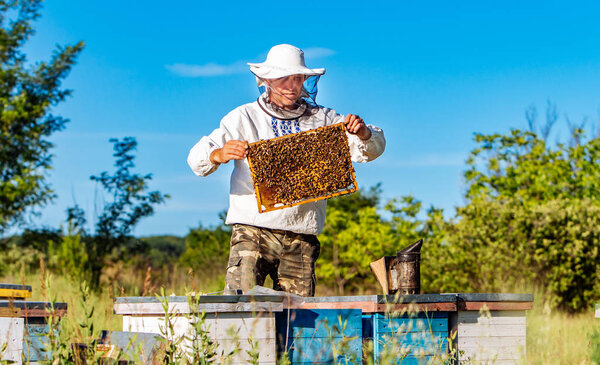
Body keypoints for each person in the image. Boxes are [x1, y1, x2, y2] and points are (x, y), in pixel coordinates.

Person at [187, 44, 385, 297]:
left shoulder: (323, 118)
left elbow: (369, 149)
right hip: (252, 229)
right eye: (284, 79)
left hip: (302, 234)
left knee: (298, 318)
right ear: (267, 80)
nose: (292, 86)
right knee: (240, 307)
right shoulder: (243, 117)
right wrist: (219, 154)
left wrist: (363, 132)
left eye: (298, 79)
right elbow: (197, 159)